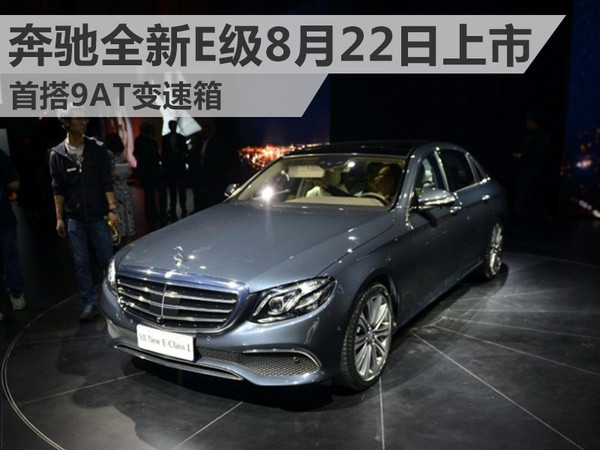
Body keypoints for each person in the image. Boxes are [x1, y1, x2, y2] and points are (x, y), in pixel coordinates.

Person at [49, 107, 118, 321]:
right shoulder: (57, 154)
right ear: (66, 122)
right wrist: (59, 218)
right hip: (74, 218)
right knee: (81, 263)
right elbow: (58, 189)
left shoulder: (97, 149)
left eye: (85, 118)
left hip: (98, 216)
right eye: (79, 119)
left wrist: (112, 209)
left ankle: (115, 301)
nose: (84, 122)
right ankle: (89, 302)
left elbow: (106, 181)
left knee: (107, 260)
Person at [514, 110, 554, 227]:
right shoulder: (546, 138)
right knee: (536, 196)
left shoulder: (529, 138)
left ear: (533, 122)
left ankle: (521, 221)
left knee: (524, 196)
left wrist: (519, 156)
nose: (527, 124)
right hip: (541, 172)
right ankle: (541, 219)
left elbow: (526, 156)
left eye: (528, 121)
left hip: (528, 171)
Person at [0, 150, 27, 321]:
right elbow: (14, 184)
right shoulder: (0, 156)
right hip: (3, 218)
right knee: (11, 259)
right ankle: (17, 297)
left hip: (5, 220)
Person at [134, 122, 166, 231]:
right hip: (152, 172)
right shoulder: (151, 142)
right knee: (155, 193)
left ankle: (151, 214)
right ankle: (157, 214)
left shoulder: (139, 141)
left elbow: (137, 154)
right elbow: (155, 157)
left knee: (149, 195)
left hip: (146, 172)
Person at [104, 133, 135, 245]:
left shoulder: (108, 156)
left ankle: (119, 239)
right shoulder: (120, 156)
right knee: (124, 216)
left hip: (115, 191)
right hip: (122, 191)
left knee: (120, 217)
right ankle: (125, 239)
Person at [161, 120, 188, 221]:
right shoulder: (166, 138)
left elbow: (185, 150)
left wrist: (179, 153)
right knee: (173, 190)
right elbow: (164, 153)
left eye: (174, 126)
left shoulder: (180, 138)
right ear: (169, 127)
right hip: (171, 168)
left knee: (181, 190)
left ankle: (183, 208)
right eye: (172, 126)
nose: (173, 127)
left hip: (178, 167)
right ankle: (173, 209)